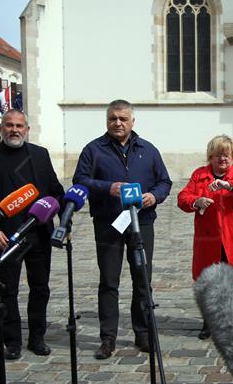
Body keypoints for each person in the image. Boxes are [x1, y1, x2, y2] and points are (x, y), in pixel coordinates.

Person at [73, 100, 172, 358]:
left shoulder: (148, 150)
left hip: (142, 223)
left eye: (123, 118)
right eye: (112, 118)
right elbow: (80, 181)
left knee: (142, 279)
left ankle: (142, 334)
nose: (117, 123)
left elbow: (165, 181)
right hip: (108, 224)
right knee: (109, 281)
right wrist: (108, 187)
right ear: (107, 121)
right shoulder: (93, 150)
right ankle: (108, 338)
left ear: (132, 121)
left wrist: (154, 196)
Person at [0, 109, 64, 360]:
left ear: (27, 129)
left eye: (19, 126)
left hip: (39, 234)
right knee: (7, 291)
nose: (14, 130)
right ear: (1, 129)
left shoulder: (40, 155)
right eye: (9, 125)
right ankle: (12, 341)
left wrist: (65, 217)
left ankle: (37, 337)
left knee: (40, 288)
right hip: (6, 237)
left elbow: (56, 190)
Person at [177, 135, 233, 339]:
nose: (223, 159)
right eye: (219, 155)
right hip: (209, 241)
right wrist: (197, 201)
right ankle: (210, 323)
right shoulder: (200, 175)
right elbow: (182, 198)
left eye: (227, 155)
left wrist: (229, 185)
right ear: (210, 156)